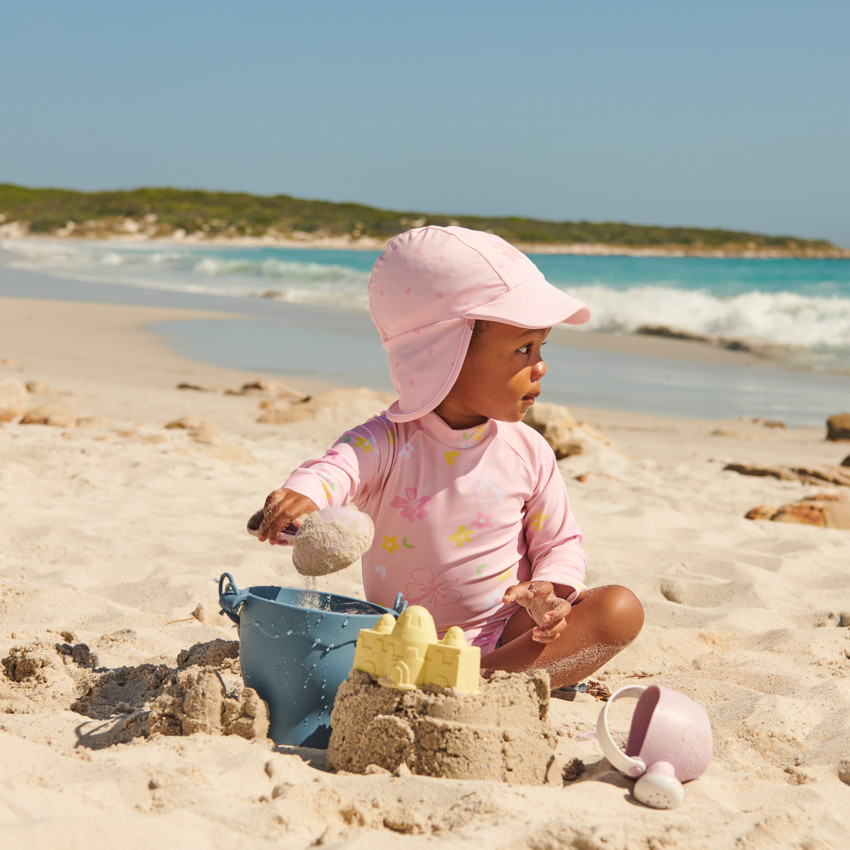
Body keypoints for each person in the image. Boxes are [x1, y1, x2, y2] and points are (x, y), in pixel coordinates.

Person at [254, 225, 643, 688]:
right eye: (523, 348)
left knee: (618, 611)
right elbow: (336, 469)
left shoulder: (529, 450)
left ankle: (479, 678)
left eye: (542, 347)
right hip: (402, 639)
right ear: (446, 354)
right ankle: (467, 680)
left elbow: (558, 543)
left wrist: (553, 591)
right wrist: (303, 495)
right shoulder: (387, 442)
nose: (541, 365)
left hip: (507, 637)